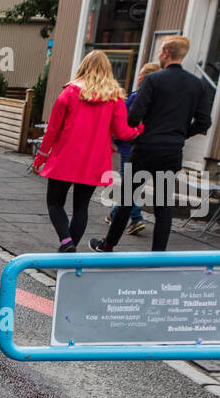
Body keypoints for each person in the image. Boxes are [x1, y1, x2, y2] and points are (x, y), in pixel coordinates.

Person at [91, 35, 212, 253]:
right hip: (172, 151)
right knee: (164, 205)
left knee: (128, 198)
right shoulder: (197, 85)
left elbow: (134, 116)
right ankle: (158, 254)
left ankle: (108, 245)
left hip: (146, 148)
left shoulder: (153, 80)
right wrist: (181, 133)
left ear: (166, 53)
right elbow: (204, 122)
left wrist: (140, 131)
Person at [33, 50, 143, 252]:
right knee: (81, 208)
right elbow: (122, 132)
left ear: (83, 67)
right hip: (95, 161)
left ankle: (66, 242)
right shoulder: (115, 98)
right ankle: (69, 249)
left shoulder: (69, 93)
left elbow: (53, 129)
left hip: (65, 157)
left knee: (55, 203)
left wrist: (41, 156)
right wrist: (139, 129)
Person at [107, 61, 161, 236]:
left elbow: (125, 120)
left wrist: (116, 138)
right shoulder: (159, 99)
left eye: (141, 73)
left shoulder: (136, 97)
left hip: (130, 145)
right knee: (132, 184)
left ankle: (136, 218)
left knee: (129, 184)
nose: (138, 77)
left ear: (145, 77)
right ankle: (115, 213)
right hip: (151, 146)